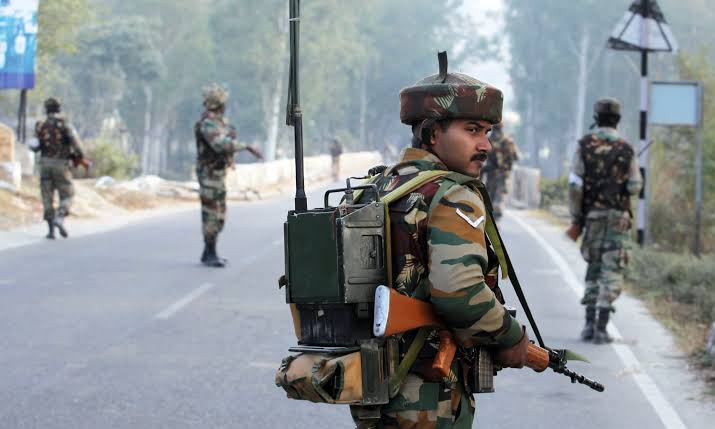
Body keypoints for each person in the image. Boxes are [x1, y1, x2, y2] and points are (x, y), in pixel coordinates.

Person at [350, 63, 529, 428]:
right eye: (472, 130)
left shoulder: (377, 188)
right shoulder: (452, 195)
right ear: (432, 134)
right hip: (427, 390)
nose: (485, 145)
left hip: (373, 379)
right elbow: (459, 292)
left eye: (488, 132)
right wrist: (511, 337)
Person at [566, 98, 642, 344]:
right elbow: (635, 186)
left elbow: (575, 185)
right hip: (618, 219)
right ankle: (601, 327)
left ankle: (588, 325)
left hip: (593, 218)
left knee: (594, 267)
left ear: (596, 119)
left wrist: (577, 217)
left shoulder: (584, 145)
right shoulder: (626, 148)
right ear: (617, 120)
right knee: (612, 269)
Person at [194, 83, 263, 267]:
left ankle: (209, 251)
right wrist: (246, 146)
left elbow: (227, 139)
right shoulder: (207, 123)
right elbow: (220, 144)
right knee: (211, 214)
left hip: (218, 174)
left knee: (219, 214)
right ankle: (210, 252)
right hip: (209, 175)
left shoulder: (219, 122)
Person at [29, 97, 87, 239]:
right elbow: (77, 146)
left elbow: (34, 147)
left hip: (44, 165)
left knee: (47, 197)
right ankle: (60, 217)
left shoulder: (40, 126)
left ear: (46, 109)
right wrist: (79, 157)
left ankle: (51, 231)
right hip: (61, 165)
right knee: (67, 194)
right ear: (58, 109)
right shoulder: (64, 125)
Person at [481, 122, 519, 220]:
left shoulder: (489, 140)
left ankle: (492, 216)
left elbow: (482, 157)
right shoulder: (507, 140)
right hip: (502, 174)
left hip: (493, 173)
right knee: (498, 197)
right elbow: (516, 157)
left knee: (491, 198)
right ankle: (495, 215)